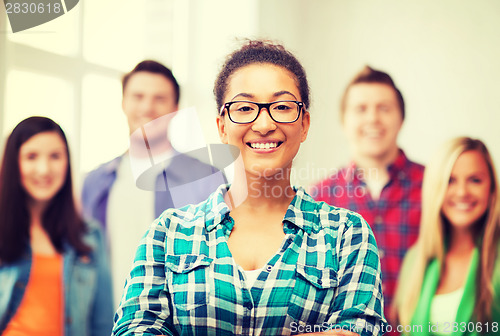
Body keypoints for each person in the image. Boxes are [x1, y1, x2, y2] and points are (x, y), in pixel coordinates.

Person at [112, 40, 385, 336]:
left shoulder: (346, 235)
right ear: (222, 127)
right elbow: (135, 329)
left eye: (282, 106)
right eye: (244, 108)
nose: (264, 124)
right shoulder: (166, 235)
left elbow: (360, 330)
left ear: (304, 124)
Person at [81, 60, 224, 307]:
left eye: (159, 98)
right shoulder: (95, 181)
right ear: (124, 103)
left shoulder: (207, 178)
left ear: (175, 108)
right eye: (138, 96)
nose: (147, 107)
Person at [311, 66, 424, 319]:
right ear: (344, 121)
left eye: (384, 108)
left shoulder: (436, 187)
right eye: (361, 109)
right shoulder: (319, 198)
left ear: (401, 118)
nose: (373, 118)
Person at [0, 116, 113, 335]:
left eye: (55, 156)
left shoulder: (90, 236)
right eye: (31, 157)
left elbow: (103, 324)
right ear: (14, 163)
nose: (44, 169)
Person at [394, 137, 500, 336]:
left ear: (492, 188)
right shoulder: (415, 260)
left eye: (475, 180)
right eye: (450, 180)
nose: (462, 192)